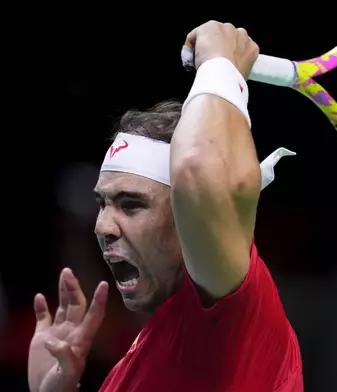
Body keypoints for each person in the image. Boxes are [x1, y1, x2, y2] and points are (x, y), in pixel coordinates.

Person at [27, 21, 303, 392]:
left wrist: (221, 64)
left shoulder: (233, 312)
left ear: (186, 217)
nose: (102, 226)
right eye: (102, 203)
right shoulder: (133, 364)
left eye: (131, 205)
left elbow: (197, 169)